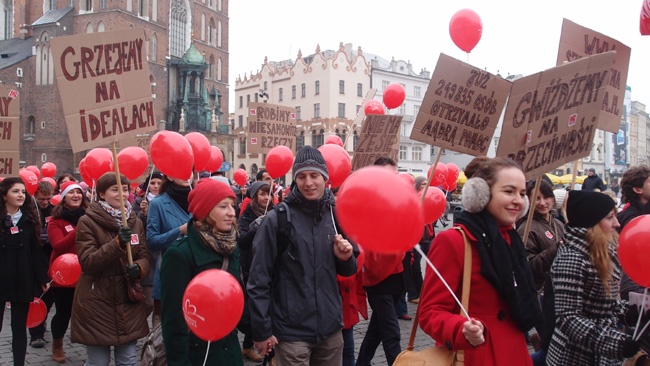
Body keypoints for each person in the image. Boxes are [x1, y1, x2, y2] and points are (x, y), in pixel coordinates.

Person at [418, 157, 542, 366]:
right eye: (509, 191)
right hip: (477, 356)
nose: (518, 200)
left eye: (522, 194)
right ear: (480, 195)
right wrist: (460, 328)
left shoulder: (512, 240)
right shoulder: (454, 241)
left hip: (515, 354)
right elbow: (429, 312)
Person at [247, 145, 356, 366]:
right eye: (302, 176)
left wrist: (345, 258)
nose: (308, 183)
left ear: (325, 178)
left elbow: (350, 268)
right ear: (294, 179)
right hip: (291, 332)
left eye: (314, 175)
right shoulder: (277, 220)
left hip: (330, 329)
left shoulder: (335, 215)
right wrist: (261, 330)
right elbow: (259, 279)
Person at [546, 190, 648, 365]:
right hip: (576, 357)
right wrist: (616, 343)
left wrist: (631, 310)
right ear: (591, 223)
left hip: (599, 355)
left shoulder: (597, 253)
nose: (616, 224)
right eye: (609, 218)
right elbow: (568, 318)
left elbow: (600, 307)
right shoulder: (572, 258)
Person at [161, 178, 248, 365]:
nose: (231, 213)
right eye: (223, 206)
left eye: (232, 206)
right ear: (205, 211)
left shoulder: (230, 246)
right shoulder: (179, 254)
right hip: (198, 356)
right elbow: (174, 323)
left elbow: (238, 301)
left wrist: (263, 330)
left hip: (230, 353)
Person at [71, 172, 150, 366]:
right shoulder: (87, 222)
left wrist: (139, 268)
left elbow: (144, 255)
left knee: (128, 362)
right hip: (97, 302)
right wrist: (116, 245)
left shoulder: (135, 222)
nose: (122, 194)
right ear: (101, 194)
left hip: (127, 302)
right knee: (99, 363)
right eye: (115, 189)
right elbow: (88, 262)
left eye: (125, 189)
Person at [356, 157, 405, 366]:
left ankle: (362, 362)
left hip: (396, 276)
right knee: (391, 331)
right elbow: (367, 248)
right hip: (378, 279)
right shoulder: (367, 206)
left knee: (377, 329)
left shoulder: (396, 204)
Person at [0, 177, 51, 366]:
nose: (20, 195)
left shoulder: (29, 219)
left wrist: (42, 276)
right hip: (1, 276)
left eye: (23, 191)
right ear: (4, 195)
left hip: (22, 276)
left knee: (19, 327)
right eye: (15, 191)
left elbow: (36, 251)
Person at [47, 181, 88, 363]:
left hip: (85, 271)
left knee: (86, 311)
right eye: (72, 193)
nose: (76, 196)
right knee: (63, 313)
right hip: (63, 274)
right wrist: (79, 229)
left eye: (79, 193)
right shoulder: (56, 221)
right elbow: (58, 246)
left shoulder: (88, 216)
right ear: (63, 198)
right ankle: (57, 345)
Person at [146, 175, 192, 328]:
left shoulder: (198, 200)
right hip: (170, 272)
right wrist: (179, 231)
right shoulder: (158, 204)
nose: (188, 174)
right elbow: (152, 240)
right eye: (183, 170)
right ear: (171, 175)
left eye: (190, 170)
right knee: (170, 330)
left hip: (197, 272)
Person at [236, 181, 272, 363]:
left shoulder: (274, 212)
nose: (266, 198)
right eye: (262, 194)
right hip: (251, 268)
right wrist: (254, 228)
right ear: (255, 196)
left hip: (270, 267)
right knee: (253, 311)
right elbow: (241, 241)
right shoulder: (246, 216)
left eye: (268, 194)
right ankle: (249, 345)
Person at [516, 179, 565, 292]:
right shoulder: (526, 228)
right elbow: (528, 266)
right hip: (540, 292)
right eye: (537, 198)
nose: (542, 203)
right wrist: (555, 249)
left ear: (552, 199)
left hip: (559, 290)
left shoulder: (559, 224)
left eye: (546, 197)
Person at [131, 171, 163, 321]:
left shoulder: (166, 201)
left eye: (159, 183)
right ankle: (137, 326)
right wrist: (143, 214)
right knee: (149, 301)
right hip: (148, 253)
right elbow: (133, 225)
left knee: (160, 305)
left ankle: (157, 341)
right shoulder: (139, 202)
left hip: (161, 252)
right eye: (153, 183)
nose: (155, 186)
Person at [29, 181, 56, 349]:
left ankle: (42, 322)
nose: (45, 202)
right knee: (37, 297)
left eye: (48, 198)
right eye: (41, 199)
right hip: (34, 259)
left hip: (51, 258)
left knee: (49, 297)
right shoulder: (30, 209)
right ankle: (36, 334)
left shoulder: (54, 210)